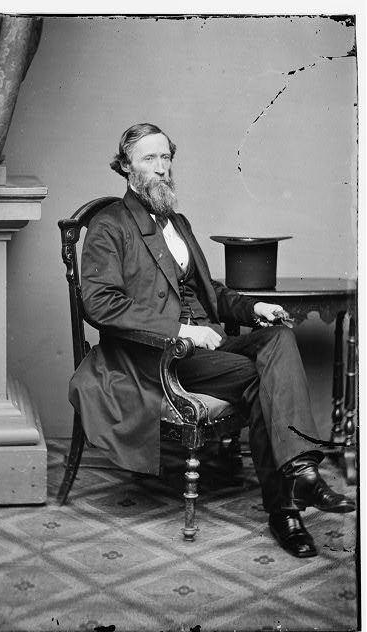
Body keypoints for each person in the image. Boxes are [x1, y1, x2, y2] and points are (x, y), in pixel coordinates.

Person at [69, 123, 355, 558]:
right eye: (149, 159)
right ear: (125, 166)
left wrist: (254, 309)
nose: (161, 168)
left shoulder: (177, 222)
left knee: (277, 337)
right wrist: (182, 331)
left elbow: (210, 294)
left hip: (207, 347)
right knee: (263, 380)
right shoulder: (110, 225)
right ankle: (288, 507)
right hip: (160, 355)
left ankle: (299, 474)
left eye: (166, 158)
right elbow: (101, 304)